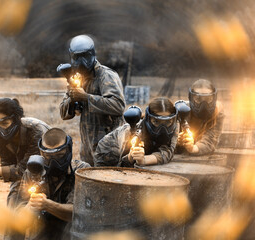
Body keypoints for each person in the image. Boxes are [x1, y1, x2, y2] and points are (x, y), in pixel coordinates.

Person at [0, 98, 50, 240]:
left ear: (15, 120)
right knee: (14, 210)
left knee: (40, 221)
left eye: (4, 123)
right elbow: (10, 168)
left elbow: (28, 169)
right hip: (24, 177)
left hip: (47, 174)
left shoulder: (35, 131)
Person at [59, 35, 125, 166]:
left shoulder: (106, 76)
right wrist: (72, 99)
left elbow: (118, 106)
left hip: (109, 146)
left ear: (92, 54)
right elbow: (63, 114)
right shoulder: (77, 78)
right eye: (77, 57)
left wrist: (86, 97)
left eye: (85, 56)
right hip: (87, 147)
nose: (81, 61)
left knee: (106, 183)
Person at [16, 128, 90, 240]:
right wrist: (31, 206)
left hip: (70, 231)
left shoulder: (81, 171)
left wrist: (47, 205)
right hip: (42, 230)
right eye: (48, 156)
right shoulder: (33, 171)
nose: (53, 162)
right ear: (41, 153)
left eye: (59, 155)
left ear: (68, 150)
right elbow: (18, 217)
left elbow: (79, 214)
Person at [94, 97, 179, 167]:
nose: (162, 128)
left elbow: (168, 152)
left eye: (167, 122)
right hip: (108, 154)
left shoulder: (174, 126)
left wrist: (144, 160)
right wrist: (132, 157)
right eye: (156, 122)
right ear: (149, 119)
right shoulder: (133, 132)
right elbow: (122, 165)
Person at [176, 79, 224, 155]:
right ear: (191, 97)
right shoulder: (182, 111)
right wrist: (178, 142)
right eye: (198, 99)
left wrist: (193, 148)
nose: (203, 104)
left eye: (208, 99)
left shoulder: (217, 112)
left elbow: (210, 140)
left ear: (214, 98)